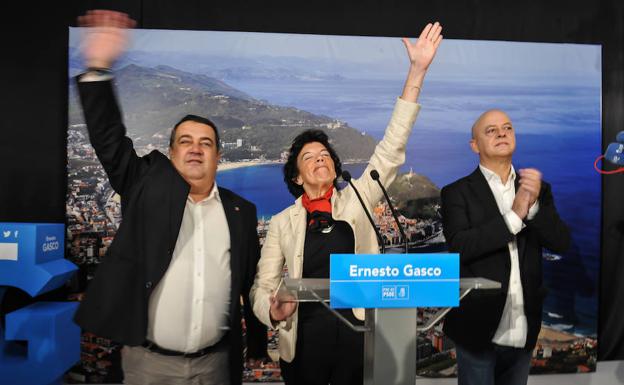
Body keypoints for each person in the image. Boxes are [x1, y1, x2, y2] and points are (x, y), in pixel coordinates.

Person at [73, 10, 267, 385]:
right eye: (186, 142)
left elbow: (249, 283)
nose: (196, 150)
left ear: (218, 157)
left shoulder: (242, 212)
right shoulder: (144, 185)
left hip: (216, 366)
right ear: (171, 152)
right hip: (147, 365)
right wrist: (97, 68)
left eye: (206, 143)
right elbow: (109, 140)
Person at [250, 22, 443, 385]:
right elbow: (262, 287)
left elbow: (391, 149)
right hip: (303, 344)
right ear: (296, 177)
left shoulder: (358, 197)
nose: (320, 158)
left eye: (325, 154)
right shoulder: (281, 223)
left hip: (356, 339)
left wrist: (416, 71)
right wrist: (272, 310)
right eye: (309, 157)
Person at [440, 109, 571, 385]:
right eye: (491, 130)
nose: (502, 133)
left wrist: (533, 207)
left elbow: (561, 242)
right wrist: (514, 216)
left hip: (524, 328)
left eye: (508, 128)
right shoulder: (456, 192)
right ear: (474, 145)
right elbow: (461, 246)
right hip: (477, 329)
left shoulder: (538, 189)